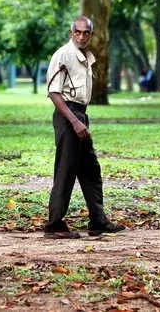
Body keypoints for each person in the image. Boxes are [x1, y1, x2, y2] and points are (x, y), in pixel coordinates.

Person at [44, 16, 125, 239]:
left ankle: (98, 221)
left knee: (90, 170)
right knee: (66, 169)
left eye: (86, 33)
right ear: (71, 32)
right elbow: (53, 92)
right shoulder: (64, 54)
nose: (81, 36)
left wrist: (80, 119)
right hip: (67, 115)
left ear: (91, 34)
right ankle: (54, 225)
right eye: (77, 32)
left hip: (80, 114)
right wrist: (74, 121)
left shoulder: (85, 57)